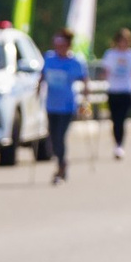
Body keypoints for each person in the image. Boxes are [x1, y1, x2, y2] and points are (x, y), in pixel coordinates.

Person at [39, 28, 87, 185]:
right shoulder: (49, 58)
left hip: (67, 106)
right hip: (51, 105)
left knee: (60, 137)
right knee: (52, 137)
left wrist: (85, 102)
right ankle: (62, 162)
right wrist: (38, 89)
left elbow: (85, 81)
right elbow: (42, 77)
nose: (58, 47)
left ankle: (61, 166)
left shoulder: (76, 62)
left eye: (62, 44)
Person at [100, 26, 131, 157]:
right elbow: (105, 72)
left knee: (122, 119)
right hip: (113, 90)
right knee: (115, 119)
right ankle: (117, 143)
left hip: (127, 91)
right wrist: (103, 76)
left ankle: (120, 145)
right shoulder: (110, 54)